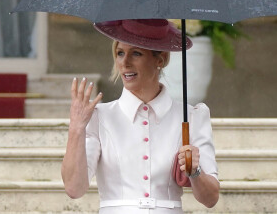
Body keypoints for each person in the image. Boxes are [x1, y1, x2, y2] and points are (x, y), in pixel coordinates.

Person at [61, 19, 220, 214]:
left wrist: (195, 171)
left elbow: (211, 199)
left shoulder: (192, 117)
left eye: (136, 53)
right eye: (120, 53)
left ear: (159, 60)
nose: (124, 62)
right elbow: (74, 189)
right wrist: (76, 129)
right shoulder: (99, 117)